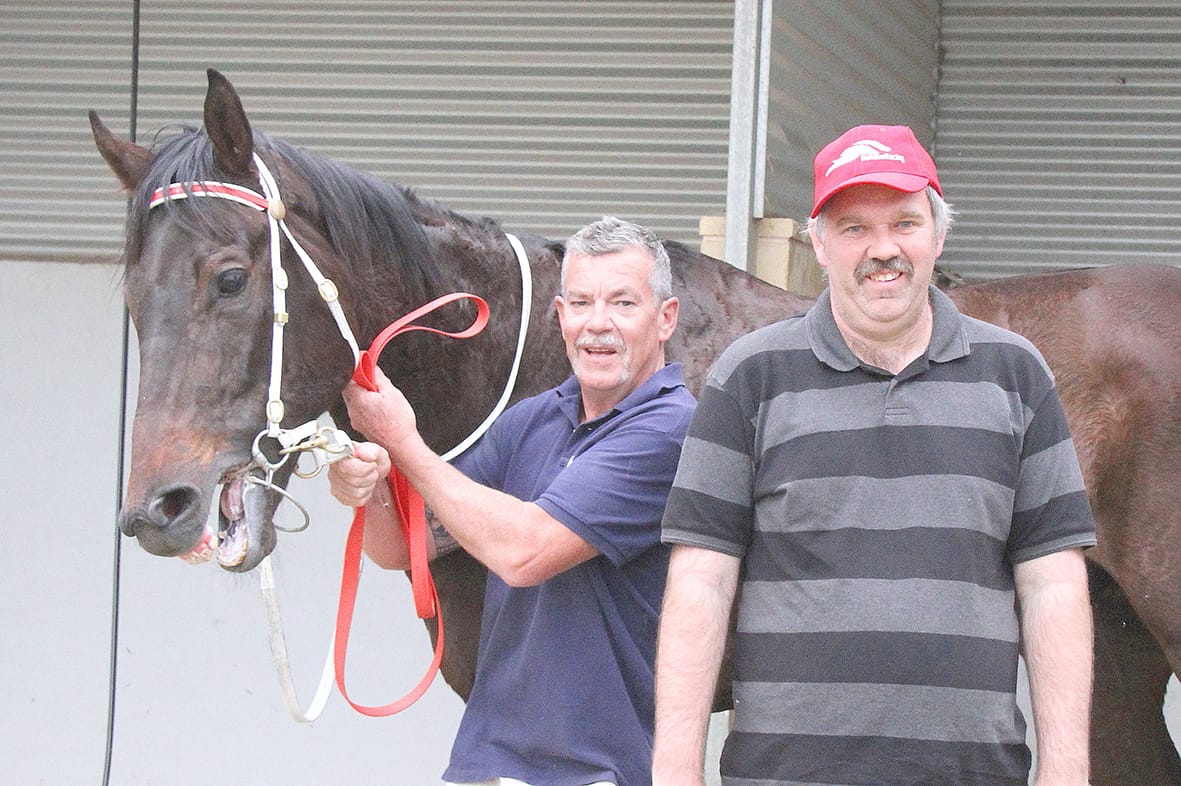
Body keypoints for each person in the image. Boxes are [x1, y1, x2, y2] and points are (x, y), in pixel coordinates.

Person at [651, 125, 1096, 786]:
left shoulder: (1014, 374)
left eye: (904, 223)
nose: (882, 249)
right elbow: (700, 583)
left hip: (969, 773)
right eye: (853, 227)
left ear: (938, 236)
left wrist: (1066, 772)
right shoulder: (749, 376)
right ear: (819, 242)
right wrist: (673, 770)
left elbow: (1052, 583)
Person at [328, 216, 696, 786]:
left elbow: (524, 552)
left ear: (665, 318)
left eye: (623, 304)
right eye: (581, 303)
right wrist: (372, 482)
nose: (598, 325)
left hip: (596, 768)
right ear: (560, 315)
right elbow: (404, 546)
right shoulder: (532, 419)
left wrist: (403, 443)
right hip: (490, 762)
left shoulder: (669, 429)